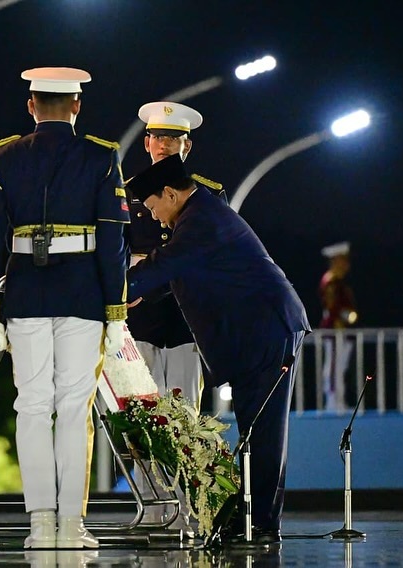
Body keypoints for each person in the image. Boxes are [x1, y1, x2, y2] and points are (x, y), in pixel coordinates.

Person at [0, 66, 129, 549]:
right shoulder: (101, 158)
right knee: (72, 408)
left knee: (32, 407)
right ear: (77, 106)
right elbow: (112, 240)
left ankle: (40, 525)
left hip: (24, 294)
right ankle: (70, 525)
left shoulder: (2, 158)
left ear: (30, 105)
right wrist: (116, 311)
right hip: (82, 293)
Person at [124, 154, 310, 544]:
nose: (155, 217)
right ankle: (252, 519)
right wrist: (134, 292)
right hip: (256, 333)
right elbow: (172, 274)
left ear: (171, 193)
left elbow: (164, 264)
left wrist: (114, 290)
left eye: (155, 207)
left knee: (262, 431)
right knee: (255, 428)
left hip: (266, 330)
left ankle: (259, 523)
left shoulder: (200, 220)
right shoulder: (199, 216)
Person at [125, 101, 226, 533]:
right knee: (141, 423)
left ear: (188, 145)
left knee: (185, 422)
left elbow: (197, 260)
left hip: (185, 327)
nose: (164, 146)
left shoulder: (207, 194)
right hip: (140, 326)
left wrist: (150, 266)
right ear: (146, 142)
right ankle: (152, 510)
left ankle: (188, 511)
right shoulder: (127, 192)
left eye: (173, 139)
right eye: (157, 138)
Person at [318, 241, 358, 412]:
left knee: (341, 367)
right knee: (334, 368)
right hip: (335, 330)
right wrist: (345, 316)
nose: (346, 264)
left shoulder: (339, 281)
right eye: (342, 260)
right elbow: (332, 306)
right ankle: (333, 402)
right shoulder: (331, 281)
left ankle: (339, 401)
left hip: (342, 331)